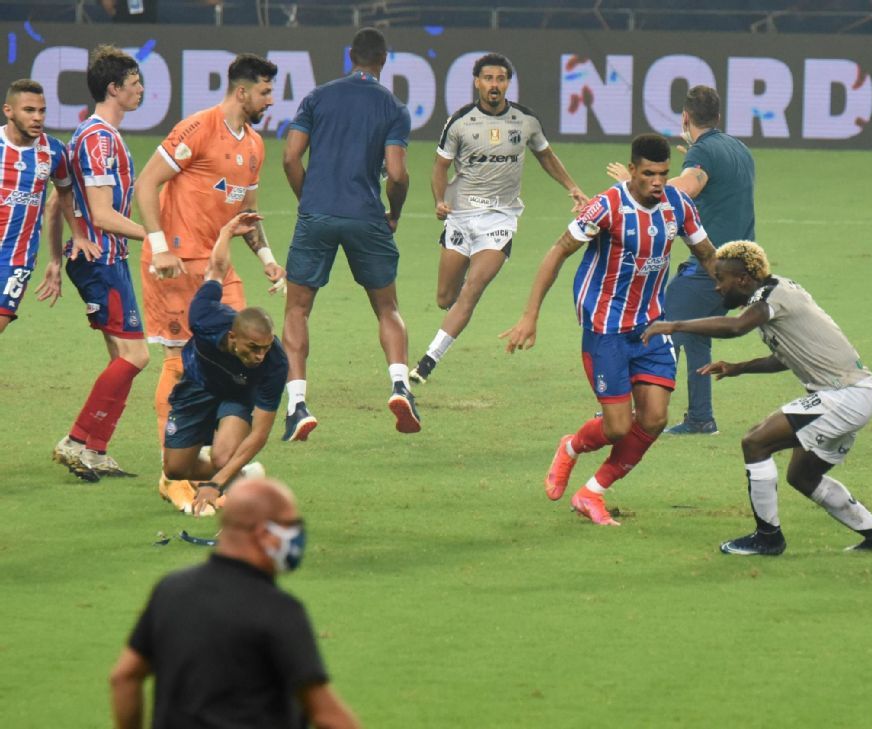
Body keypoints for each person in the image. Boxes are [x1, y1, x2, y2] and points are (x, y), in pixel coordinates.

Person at [500, 133, 717, 526]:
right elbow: (557, 252)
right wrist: (530, 315)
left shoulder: (678, 205)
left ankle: (591, 493)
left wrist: (744, 290)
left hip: (652, 326)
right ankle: (571, 446)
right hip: (607, 330)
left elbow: (707, 253)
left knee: (653, 418)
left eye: (663, 174)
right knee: (618, 428)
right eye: (649, 173)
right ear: (631, 170)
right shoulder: (606, 207)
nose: (657, 182)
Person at [643, 241, 872, 555]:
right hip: (851, 393)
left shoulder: (772, 296)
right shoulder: (775, 294)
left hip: (843, 395)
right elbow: (787, 357)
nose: (717, 288)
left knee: (755, 441)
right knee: (803, 476)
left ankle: (768, 538)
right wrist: (739, 368)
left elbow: (737, 326)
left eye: (721, 279)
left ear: (743, 279)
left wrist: (675, 324)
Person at [135, 53, 284, 510]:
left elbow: (246, 213)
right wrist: (159, 245)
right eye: (264, 91)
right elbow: (146, 184)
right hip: (175, 263)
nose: (270, 100)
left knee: (239, 357)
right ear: (242, 92)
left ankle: (220, 464)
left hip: (219, 268)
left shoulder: (255, 145)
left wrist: (266, 257)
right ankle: (172, 474)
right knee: (181, 363)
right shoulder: (197, 128)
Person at [109, 477, 362, 729]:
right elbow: (326, 714)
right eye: (289, 525)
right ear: (264, 533)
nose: (297, 536)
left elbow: (124, 677)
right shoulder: (278, 610)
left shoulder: (170, 591)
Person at [410, 52, 587, 385]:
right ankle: (457, 303)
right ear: (477, 82)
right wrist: (438, 201)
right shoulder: (459, 121)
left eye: (501, 79)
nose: (494, 85)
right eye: (488, 78)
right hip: (461, 216)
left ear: (508, 83)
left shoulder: (526, 121)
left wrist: (572, 187)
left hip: (500, 219)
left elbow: (546, 156)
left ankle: (426, 363)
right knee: (445, 298)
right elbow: (439, 167)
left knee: (471, 291)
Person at [281, 27, 416, 441]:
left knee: (297, 310)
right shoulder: (393, 107)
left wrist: (311, 200)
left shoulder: (318, 97)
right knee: (387, 307)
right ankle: (400, 386)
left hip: (317, 213)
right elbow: (395, 173)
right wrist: (394, 211)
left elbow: (289, 156)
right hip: (366, 216)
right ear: (383, 60)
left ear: (351, 57)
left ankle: (298, 406)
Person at [606, 85, 756, 435]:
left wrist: (636, 181)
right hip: (742, 266)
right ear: (718, 117)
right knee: (695, 334)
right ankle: (701, 418)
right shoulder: (739, 149)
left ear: (685, 117)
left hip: (713, 266)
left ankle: (625, 411)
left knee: (652, 324)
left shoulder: (703, 153)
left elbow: (688, 187)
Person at [52, 45, 150, 482]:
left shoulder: (93, 135)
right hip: (102, 259)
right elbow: (104, 214)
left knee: (121, 357)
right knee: (137, 355)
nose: (141, 90)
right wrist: (160, 237)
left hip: (105, 257)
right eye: (134, 84)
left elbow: (61, 200)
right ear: (114, 89)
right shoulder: (98, 139)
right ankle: (75, 440)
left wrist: (59, 255)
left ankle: (96, 450)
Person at [160, 212, 287, 517]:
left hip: (236, 395)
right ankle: (244, 475)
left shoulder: (275, 363)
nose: (260, 355)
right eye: (253, 348)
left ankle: (230, 476)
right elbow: (216, 270)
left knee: (224, 456)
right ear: (233, 338)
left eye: (265, 348)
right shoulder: (205, 317)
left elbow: (260, 432)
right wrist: (227, 231)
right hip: (197, 386)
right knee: (176, 469)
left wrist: (214, 484)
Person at [0, 79, 76, 334]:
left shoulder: (54, 151)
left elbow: (64, 196)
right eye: (29, 110)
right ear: (8, 111)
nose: (37, 117)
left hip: (15, 260)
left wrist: (61, 254)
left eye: (42, 111)